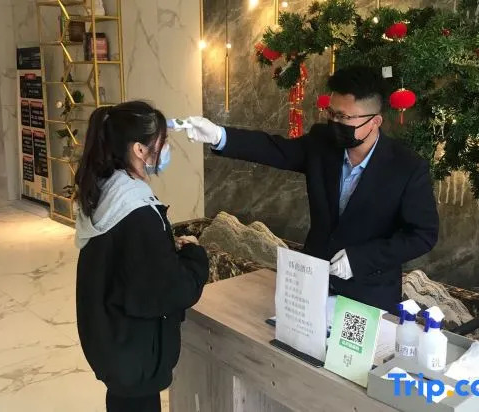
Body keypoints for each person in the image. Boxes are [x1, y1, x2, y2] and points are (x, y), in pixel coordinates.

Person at [183, 65, 439, 314]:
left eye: (345, 117)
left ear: (375, 121)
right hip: (312, 287)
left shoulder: (406, 167)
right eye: (332, 114)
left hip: (368, 297)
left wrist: (361, 259)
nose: (335, 122)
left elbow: (423, 235)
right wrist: (219, 136)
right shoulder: (322, 143)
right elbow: (274, 149)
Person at [74, 101, 209, 412]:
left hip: (113, 342)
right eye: (162, 142)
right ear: (138, 149)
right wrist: (194, 256)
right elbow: (168, 290)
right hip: (136, 354)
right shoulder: (138, 212)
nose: (165, 150)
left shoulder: (105, 189)